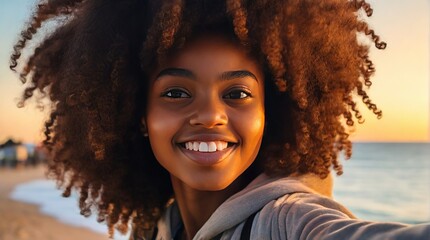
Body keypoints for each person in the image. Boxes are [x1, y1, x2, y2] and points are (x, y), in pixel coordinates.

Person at [10, 0, 430, 239]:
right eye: (176, 93)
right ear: (139, 116)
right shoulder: (155, 228)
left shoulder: (288, 222)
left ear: (271, 114)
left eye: (237, 94)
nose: (210, 115)